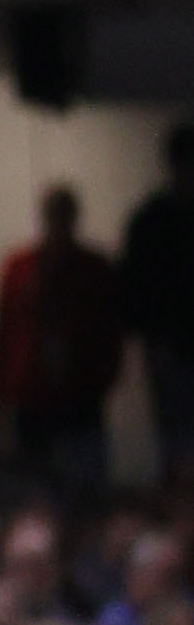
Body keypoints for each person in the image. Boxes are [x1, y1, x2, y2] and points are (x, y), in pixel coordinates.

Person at [0, 186, 125, 488]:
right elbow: (5, 332)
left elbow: (110, 331)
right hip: (33, 392)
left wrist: (103, 380)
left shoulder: (92, 269)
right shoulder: (22, 266)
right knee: (36, 479)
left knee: (84, 482)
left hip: (80, 391)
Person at [122, 121, 194, 470]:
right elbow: (138, 287)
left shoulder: (152, 220)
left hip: (168, 346)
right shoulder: (153, 222)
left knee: (177, 436)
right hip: (171, 348)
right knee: (177, 440)